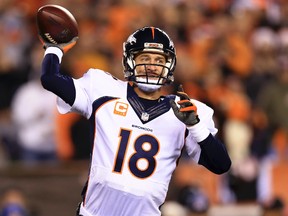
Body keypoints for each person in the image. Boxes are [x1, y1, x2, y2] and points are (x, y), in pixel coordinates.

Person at [39, 26, 231, 216]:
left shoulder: (185, 110)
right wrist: (55, 48)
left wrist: (195, 126)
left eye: (159, 60)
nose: (152, 66)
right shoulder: (103, 89)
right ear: (130, 62)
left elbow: (221, 165)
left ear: (169, 65)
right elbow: (50, 79)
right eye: (144, 58)